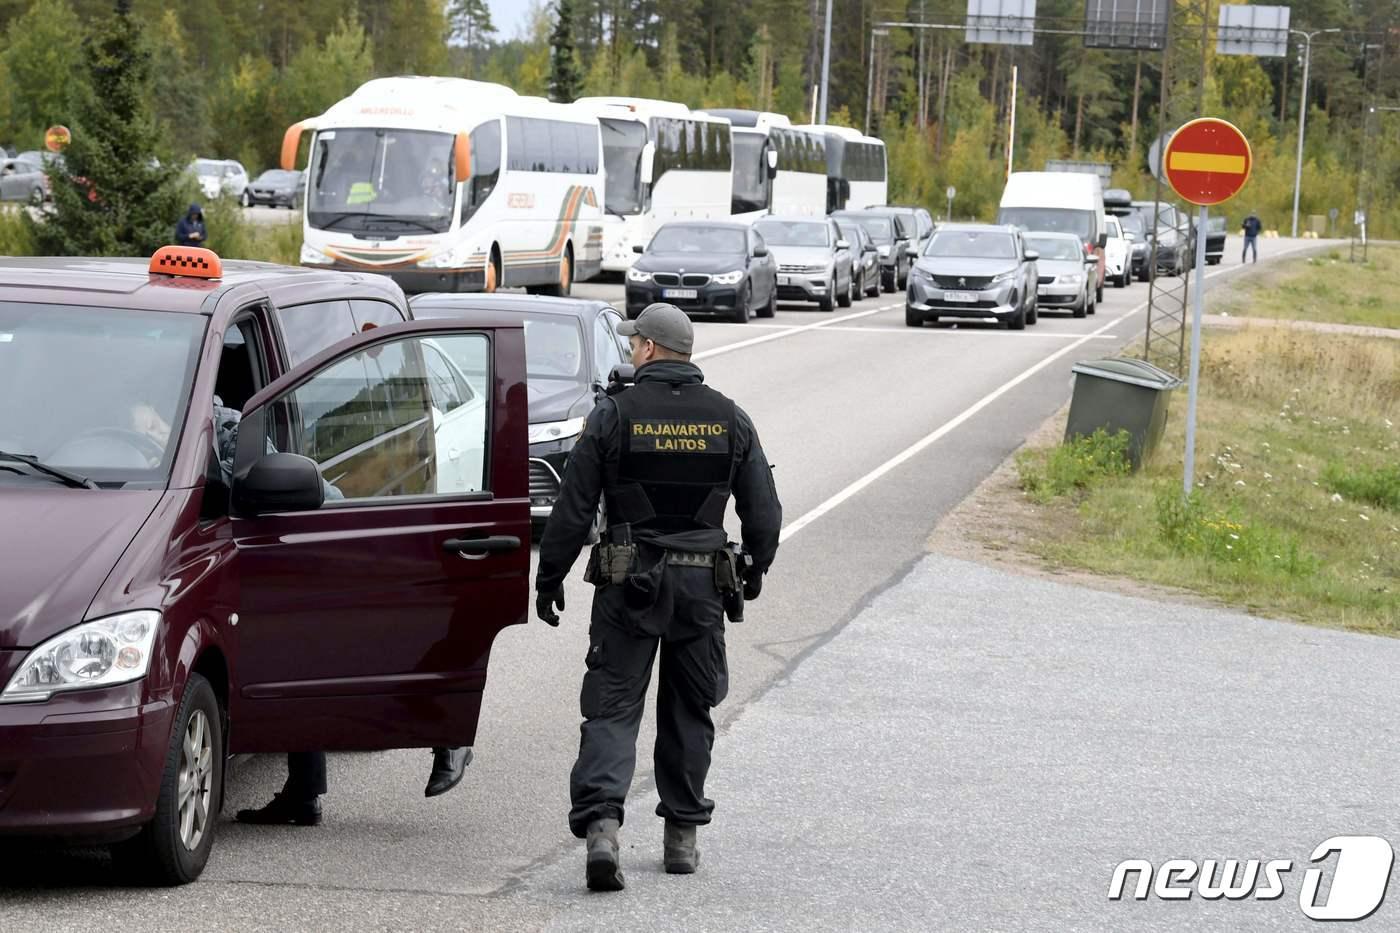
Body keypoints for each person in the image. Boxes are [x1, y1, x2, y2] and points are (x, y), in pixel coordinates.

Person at [534, 302, 782, 891]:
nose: (630, 350)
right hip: (702, 589)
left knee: (613, 708)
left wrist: (549, 579)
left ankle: (601, 827)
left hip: (629, 584)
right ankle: (681, 838)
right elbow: (764, 512)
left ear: (647, 348)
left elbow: (572, 509)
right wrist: (754, 567)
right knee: (689, 708)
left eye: (633, 342)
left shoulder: (613, 415)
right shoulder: (730, 418)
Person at [216, 397, 469, 827]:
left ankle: (447, 730)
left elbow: (253, 486)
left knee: (345, 658)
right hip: (274, 560)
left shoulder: (224, 430)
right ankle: (303, 793)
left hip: (317, 542)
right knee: (296, 664)